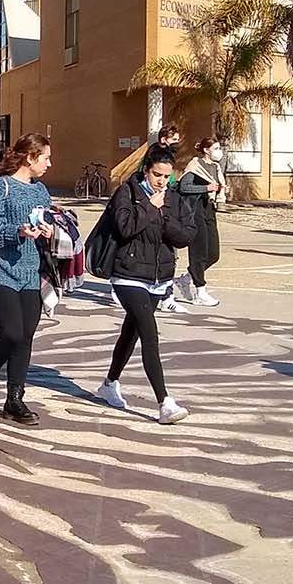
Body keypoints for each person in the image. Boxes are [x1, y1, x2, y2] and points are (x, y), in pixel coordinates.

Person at [96, 145, 196, 424]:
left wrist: (163, 217)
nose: (162, 181)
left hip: (158, 278)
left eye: (167, 176)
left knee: (132, 331)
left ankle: (109, 383)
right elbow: (125, 227)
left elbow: (185, 236)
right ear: (145, 170)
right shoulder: (127, 192)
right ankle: (165, 402)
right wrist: (151, 208)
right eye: (156, 175)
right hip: (127, 273)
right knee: (150, 334)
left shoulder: (173, 199)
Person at [0, 133, 54, 426]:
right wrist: (18, 231)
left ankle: (15, 399)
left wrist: (50, 231)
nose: (49, 163)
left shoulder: (41, 190)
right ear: (30, 158)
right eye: (45, 157)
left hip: (31, 272)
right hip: (0, 272)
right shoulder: (0, 186)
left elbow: (49, 219)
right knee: (12, 333)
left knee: (26, 337)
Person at [175, 138, 225, 307]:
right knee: (198, 251)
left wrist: (220, 192)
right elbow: (184, 187)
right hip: (195, 211)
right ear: (206, 150)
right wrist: (206, 188)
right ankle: (200, 291)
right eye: (215, 148)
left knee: (213, 254)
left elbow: (217, 185)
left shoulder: (216, 167)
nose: (219, 151)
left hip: (209, 209)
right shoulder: (195, 166)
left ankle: (186, 278)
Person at [109, 123, 182, 189]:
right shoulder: (154, 154)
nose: (176, 142)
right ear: (163, 140)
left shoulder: (167, 153)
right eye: (174, 139)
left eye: (178, 140)